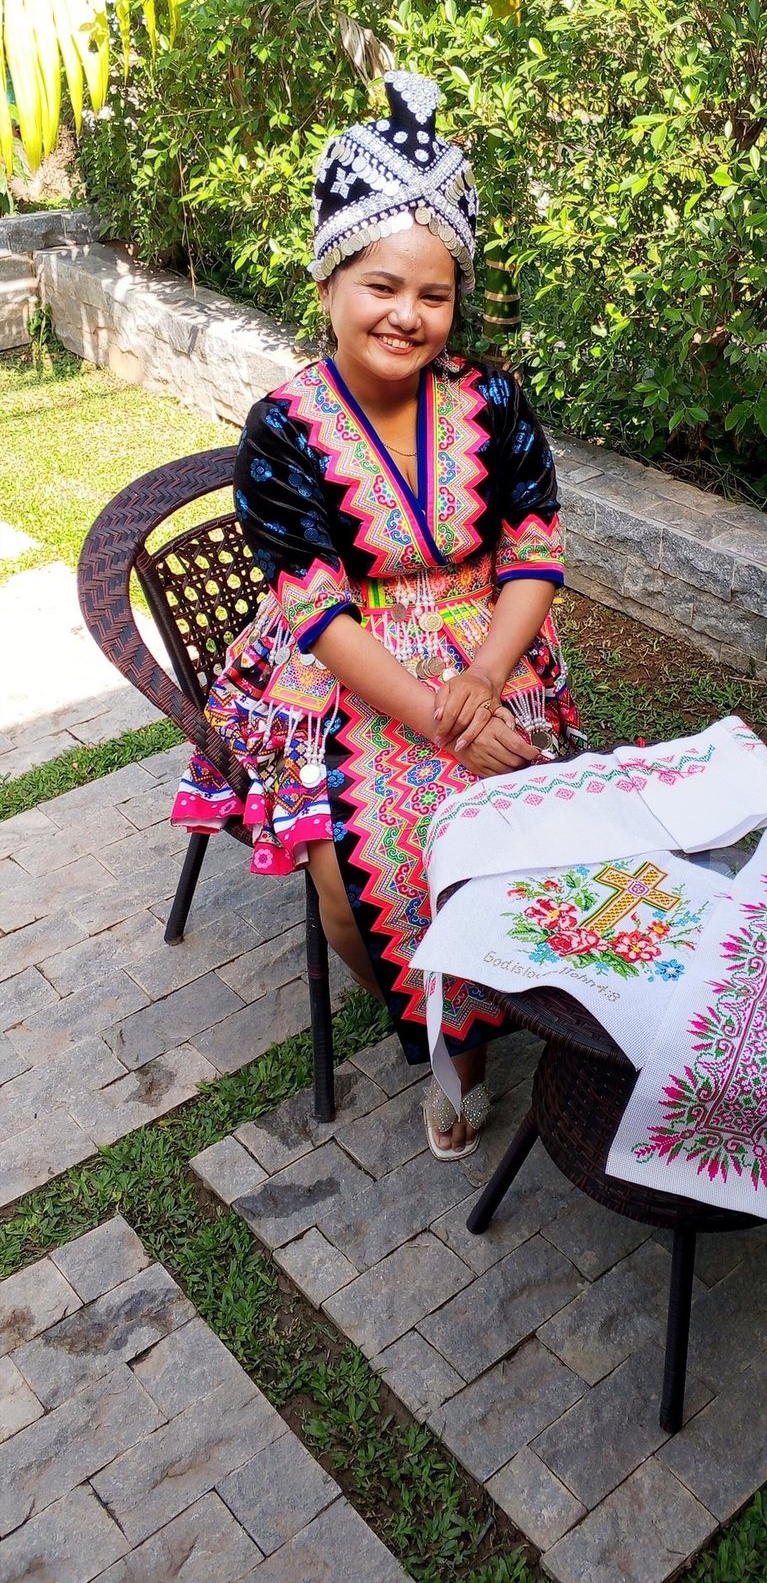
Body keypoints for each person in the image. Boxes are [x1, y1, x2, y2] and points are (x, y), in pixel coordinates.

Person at [172, 69, 581, 1160]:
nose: (407, 314)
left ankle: (512, 1005)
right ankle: (447, 1047)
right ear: (329, 280)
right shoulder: (284, 427)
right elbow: (314, 608)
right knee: (357, 891)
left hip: (487, 639)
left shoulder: (491, 400)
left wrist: (483, 679)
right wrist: (440, 716)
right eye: (381, 284)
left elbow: (531, 550)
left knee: (524, 830)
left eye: (433, 295)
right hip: (342, 663)